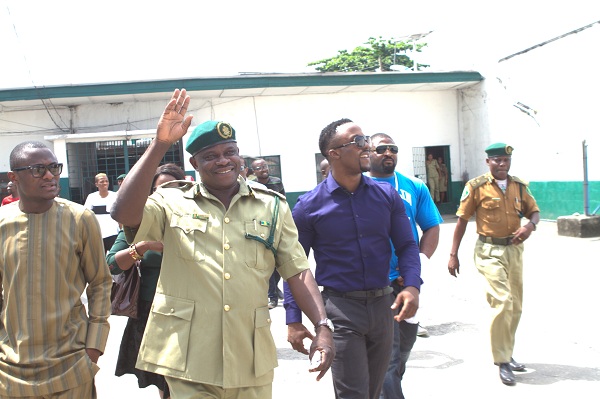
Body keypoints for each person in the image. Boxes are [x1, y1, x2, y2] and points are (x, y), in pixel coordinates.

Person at [110, 88, 334, 399]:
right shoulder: (170, 200)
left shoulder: (272, 205)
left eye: (230, 151)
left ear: (240, 156)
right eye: (210, 156)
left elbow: (297, 271)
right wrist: (160, 145)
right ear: (194, 163)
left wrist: (322, 325)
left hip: (250, 358)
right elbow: (123, 213)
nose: (223, 161)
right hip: (187, 355)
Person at [284, 118, 422, 399]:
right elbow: (294, 265)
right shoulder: (309, 206)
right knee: (353, 394)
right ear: (333, 153)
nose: (367, 146)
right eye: (358, 141)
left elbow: (408, 244)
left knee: (374, 390)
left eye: (366, 139)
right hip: (341, 309)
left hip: (384, 306)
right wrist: (293, 318)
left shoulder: (387, 195)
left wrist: (412, 285)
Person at [0, 141, 112, 398]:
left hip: (70, 362)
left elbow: (100, 283)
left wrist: (94, 346)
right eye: (38, 169)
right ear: (13, 177)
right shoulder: (2, 222)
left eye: (54, 167)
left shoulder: (80, 219)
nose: (50, 175)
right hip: (11, 367)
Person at [447, 142, 540, 386]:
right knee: (502, 301)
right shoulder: (476, 187)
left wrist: (529, 225)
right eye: (497, 160)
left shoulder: (519, 187)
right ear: (488, 162)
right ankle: (502, 361)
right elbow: (462, 221)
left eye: (505, 160)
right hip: (489, 250)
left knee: (516, 305)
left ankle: (507, 352)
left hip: (514, 250)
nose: (501, 164)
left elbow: (534, 212)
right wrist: (453, 254)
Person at [367, 133, 443, 399]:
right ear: (368, 152)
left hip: (407, 282)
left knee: (401, 354)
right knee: (387, 358)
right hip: (374, 285)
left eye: (393, 148)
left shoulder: (414, 187)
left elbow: (431, 226)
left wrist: (417, 267)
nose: (388, 153)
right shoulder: (357, 186)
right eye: (381, 148)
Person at [107, 163, 186, 399]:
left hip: (194, 310)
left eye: (175, 187)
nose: (167, 193)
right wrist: (143, 247)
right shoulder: (140, 223)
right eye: (160, 188)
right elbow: (112, 263)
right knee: (165, 380)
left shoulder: (197, 220)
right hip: (153, 312)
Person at [251, 158, 286, 309]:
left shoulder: (276, 182)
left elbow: (283, 201)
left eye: (264, 166)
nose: (263, 169)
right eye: (259, 167)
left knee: (279, 264)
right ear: (254, 171)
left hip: (277, 223)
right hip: (262, 226)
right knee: (268, 263)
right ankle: (271, 296)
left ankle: (275, 289)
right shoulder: (252, 185)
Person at [84, 172, 120, 252]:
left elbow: (120, 214)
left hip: (113, 232)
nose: (105, 183)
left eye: (106, 181)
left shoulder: (115, 196)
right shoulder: (91, 197)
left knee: (114, 257)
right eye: (102, 181)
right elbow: (86, 214)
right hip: (98, 234)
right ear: (96, 184)